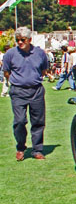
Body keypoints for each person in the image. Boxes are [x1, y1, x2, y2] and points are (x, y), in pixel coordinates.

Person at [2, 27, 48, 160]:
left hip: (36, 90)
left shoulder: (40, 53)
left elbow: (44, 70)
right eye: (17, 40)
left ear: (29, 40)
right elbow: (6, 73)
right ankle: (21, 147)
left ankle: (37, 150)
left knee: (38, 121)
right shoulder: (10, 54)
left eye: (23, 40)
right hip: (18, 91)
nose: (20, 42)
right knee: (20, 121)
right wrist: (17, 82)